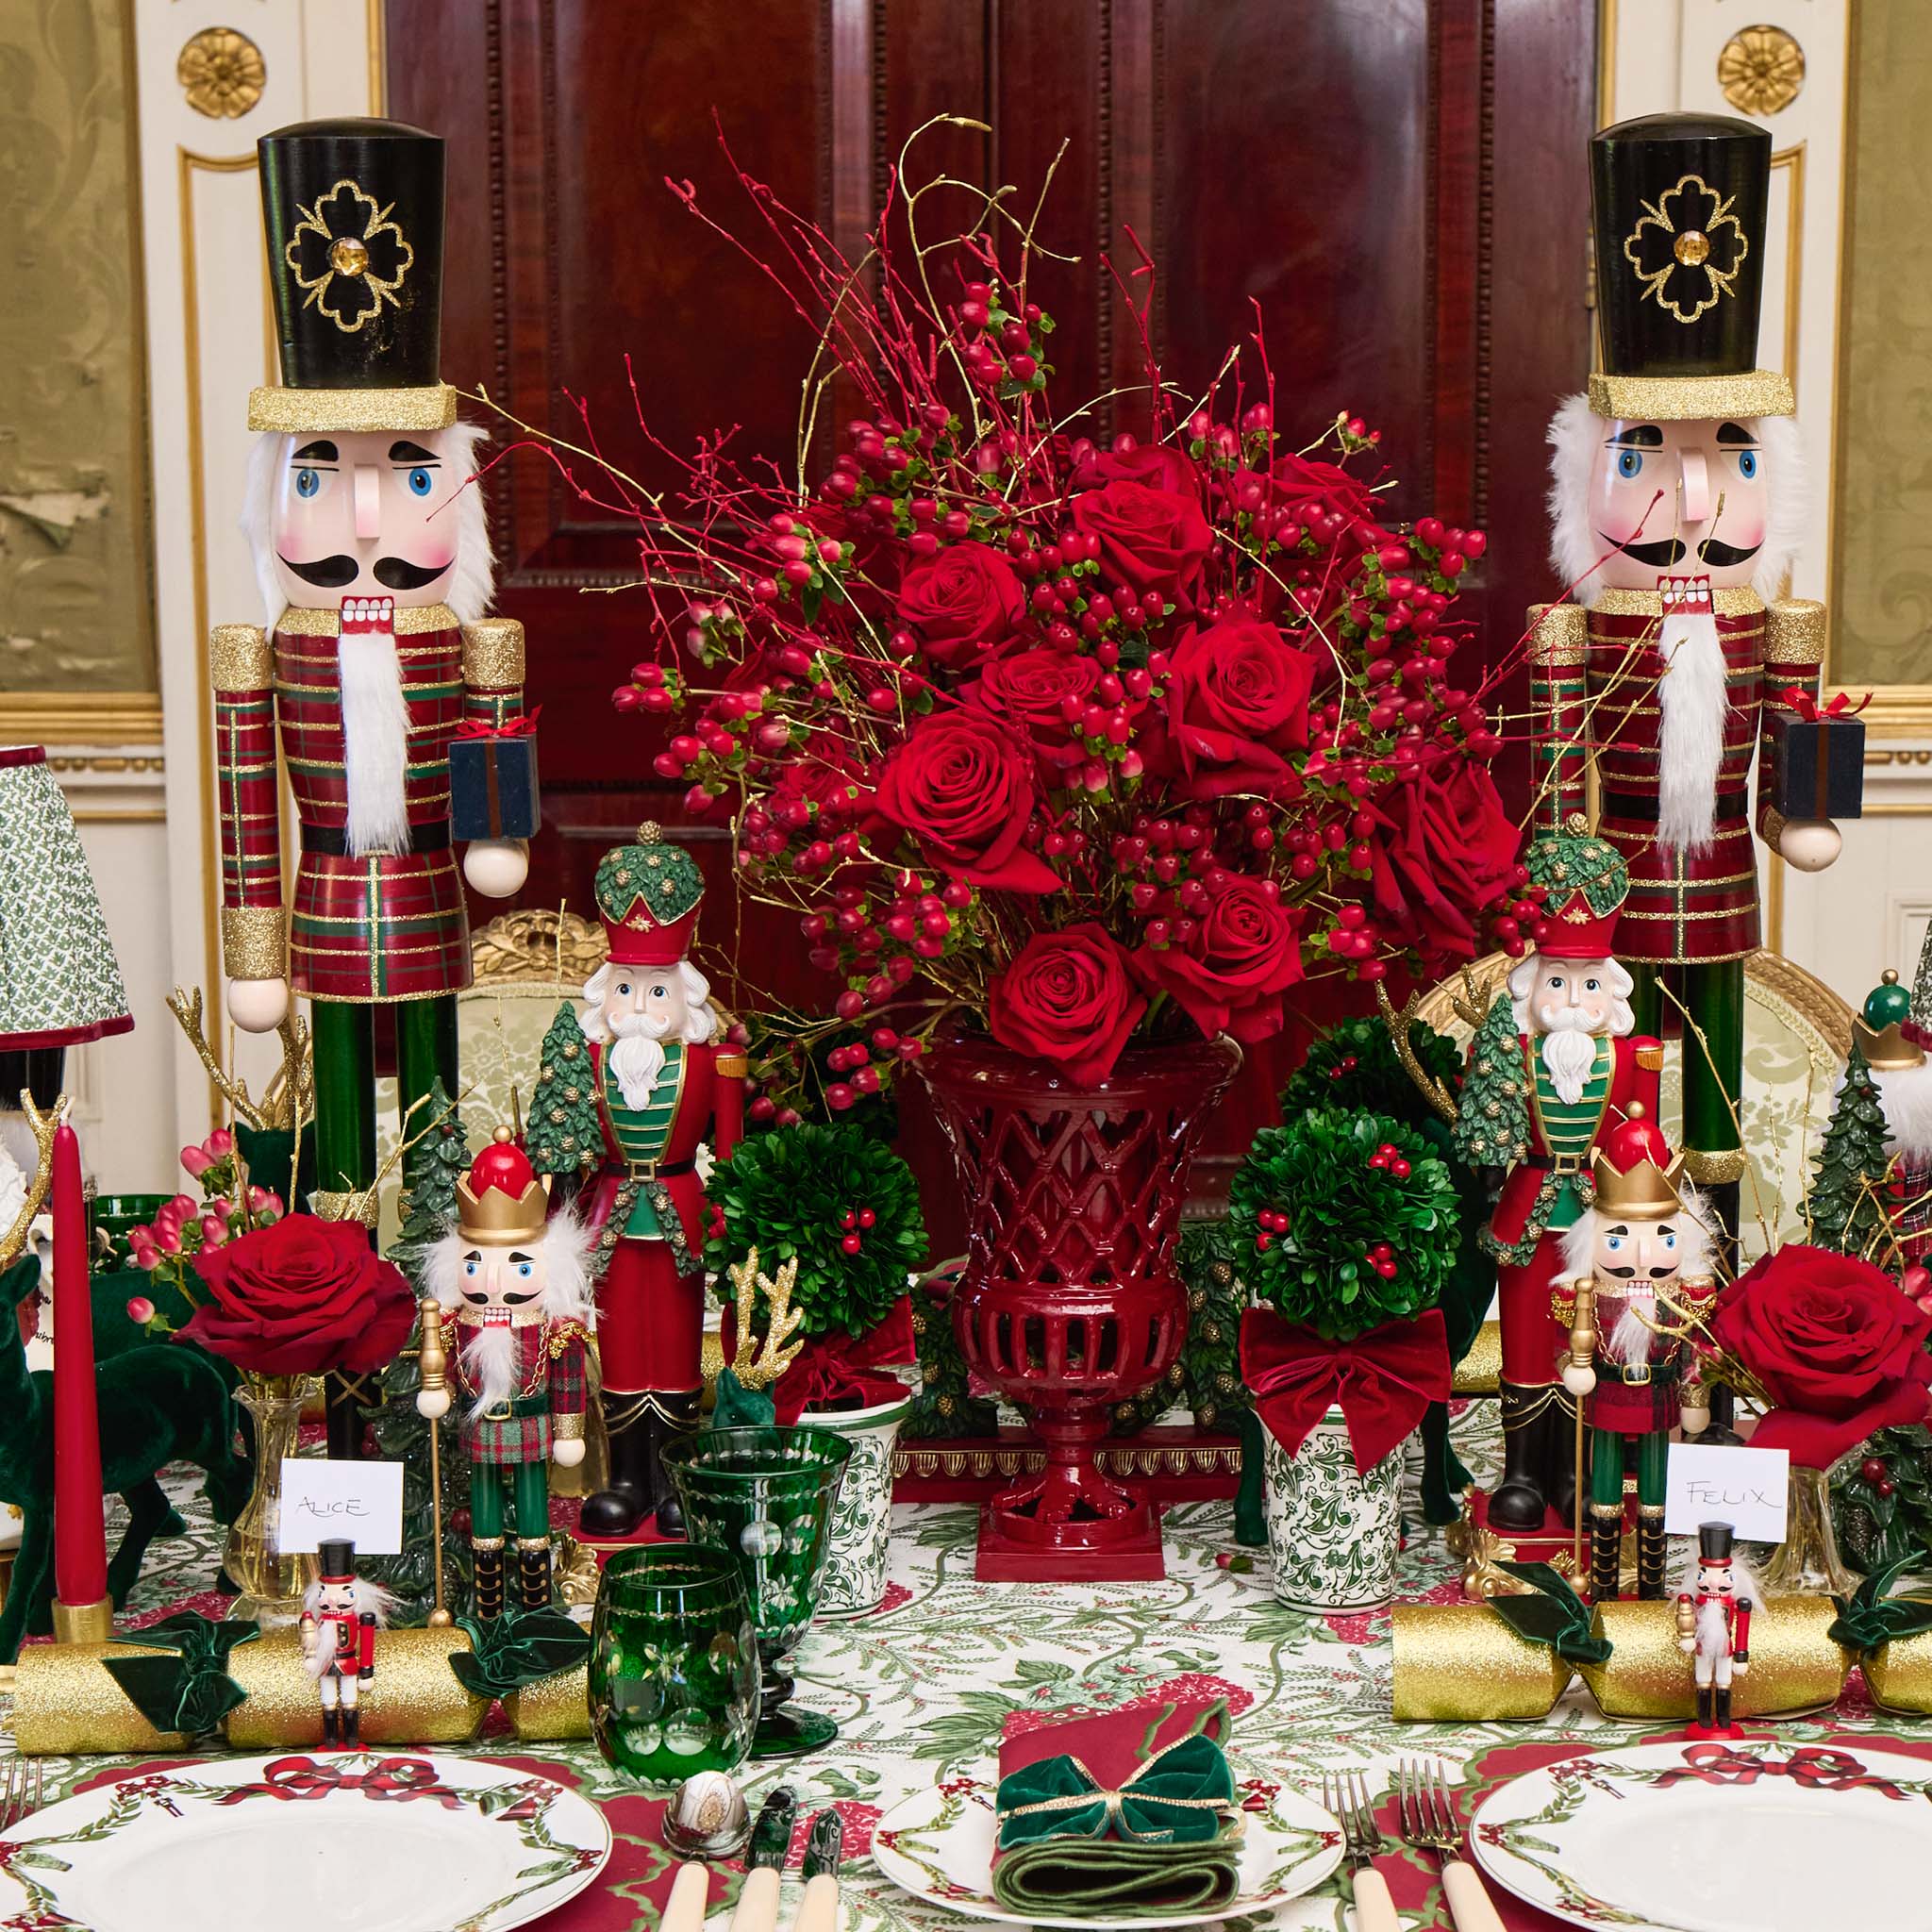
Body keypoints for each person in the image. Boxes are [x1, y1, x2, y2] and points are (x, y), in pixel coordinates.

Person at [421, 1127, 592, 1614]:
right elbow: (442, 1369)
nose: (493, 1279)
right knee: (485, 1518)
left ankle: (537, 1606)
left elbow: (567, 1381)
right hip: (482, 1426)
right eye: (475, 1265)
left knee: (536, 1516)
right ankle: (490, 1608)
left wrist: (568, 1432)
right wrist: (438, 1390)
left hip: (533, 1422)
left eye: (517, 1267)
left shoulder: (555, 1327)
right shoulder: (455, 1321)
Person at [1556, 1105, 1717, 1601]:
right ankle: (1603, 1584)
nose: (1642, 1259)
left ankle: (1651, 1585)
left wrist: (1695, 1396)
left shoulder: (1681, 1301)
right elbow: (1564, 1348)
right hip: (1606, 1393)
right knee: (1603, 1493)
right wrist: (1574, 1366)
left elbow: (1696, 1353)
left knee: (1655, 1496)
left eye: (1662, 1240)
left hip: (1660, 1395)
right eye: (1620, 1239)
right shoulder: (1590, 1297)